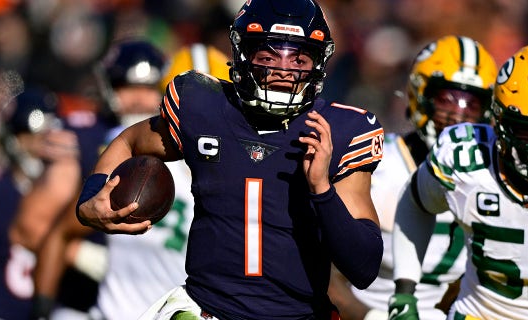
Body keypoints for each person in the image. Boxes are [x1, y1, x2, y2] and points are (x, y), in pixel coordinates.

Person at [76, 0, 385, 319]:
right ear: (243, 54)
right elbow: (129, 140)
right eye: (268, 56)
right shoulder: (204, 107)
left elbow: (364, 268)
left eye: (299, 58)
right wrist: (91, 198)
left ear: (318, 64)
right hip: (208, 310)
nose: (283, 70)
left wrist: (322, 189)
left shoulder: (340, 132)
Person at [389, 43, 528, 320]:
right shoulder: (463, 155)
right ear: (497, 120)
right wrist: (404, 291)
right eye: (526, 129)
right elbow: (415, 202)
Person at [32, 38, 231, 320]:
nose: (202, 120)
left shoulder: (243, 175)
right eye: (193, 107)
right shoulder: (138, 162)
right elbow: (58, 230)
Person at [328, 35, 498, 320]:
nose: (458, 116)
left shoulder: (489, 178)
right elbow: (321, 272)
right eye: (447, 100)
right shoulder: (378, 164)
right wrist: (371, 317)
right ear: (421, 95)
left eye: (472, 105)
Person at [0, 87, 82, 319]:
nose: (41, 147)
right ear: (13, 140)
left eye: (48, 137)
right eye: (32, 138)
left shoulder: (74, 191)